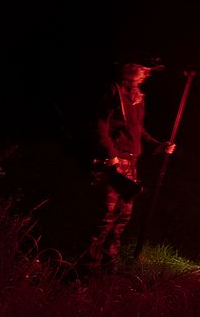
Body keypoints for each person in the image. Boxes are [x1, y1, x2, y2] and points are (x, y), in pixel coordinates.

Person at [81, 56, 175, 274]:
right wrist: (110, 154)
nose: (148, 73)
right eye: (145, 69)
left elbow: (136, 129)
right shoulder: (112, 90)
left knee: (122, 218)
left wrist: (157, 145)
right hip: (113, 162)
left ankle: (107, 268)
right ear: (132, 69)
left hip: (131, 161)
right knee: (104, 218)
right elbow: (99, 123)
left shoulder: (138, 97)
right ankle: (87, 270)